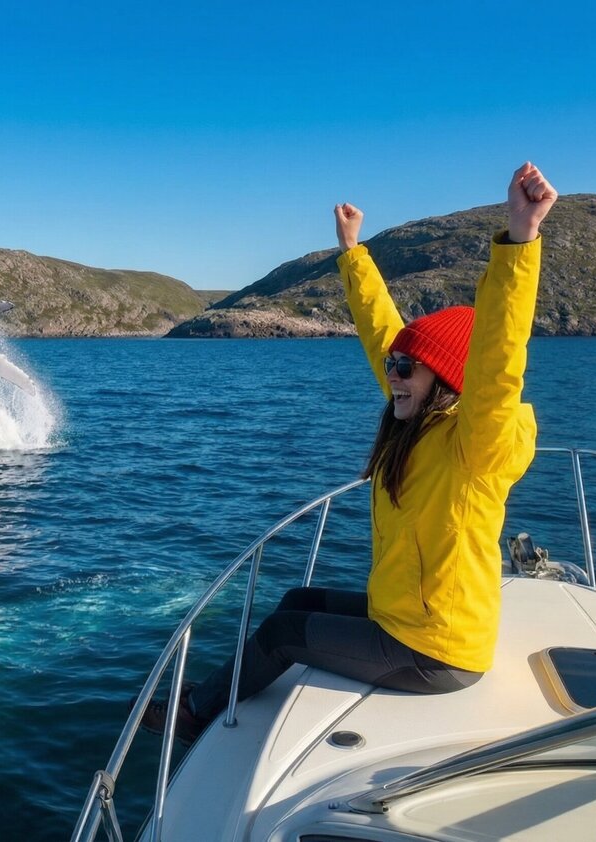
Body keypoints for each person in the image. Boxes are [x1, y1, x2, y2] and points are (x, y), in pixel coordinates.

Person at [142, 163, 558, 744]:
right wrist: (352, 251)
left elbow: (498, 359)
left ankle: (194, 716)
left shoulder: (477, 442)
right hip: (404, 619)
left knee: (283, 631)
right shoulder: (414, 418)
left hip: (436, 650)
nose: (392, 374)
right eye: (392, 366)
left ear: (448, 381)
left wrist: (520, 239)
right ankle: (223, 691)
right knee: (298, 599)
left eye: (405, 367)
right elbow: (379, 332)